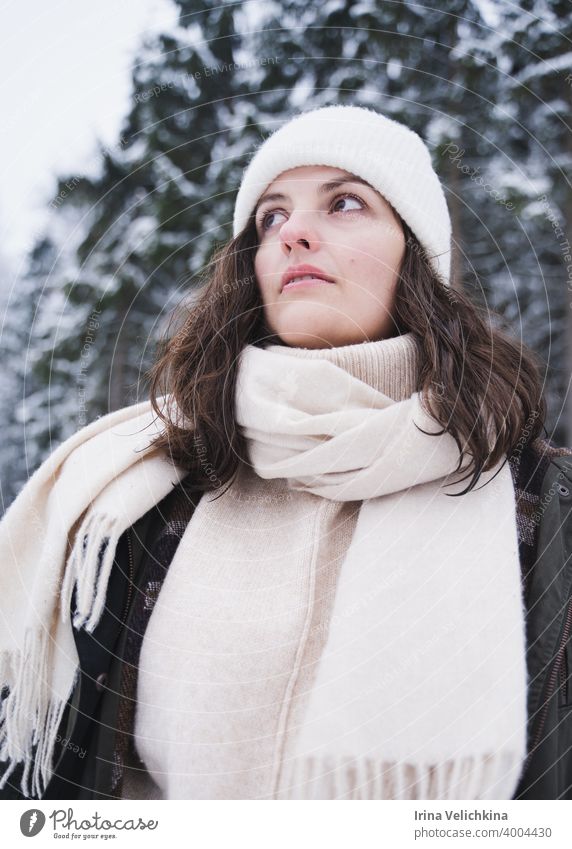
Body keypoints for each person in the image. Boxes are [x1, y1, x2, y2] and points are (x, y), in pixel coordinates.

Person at [1, 104, 571, 801]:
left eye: (345, 202)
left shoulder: (542, 502)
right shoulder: (152, 485)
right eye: (271, 217)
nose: (295, 232)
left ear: (415, 253)